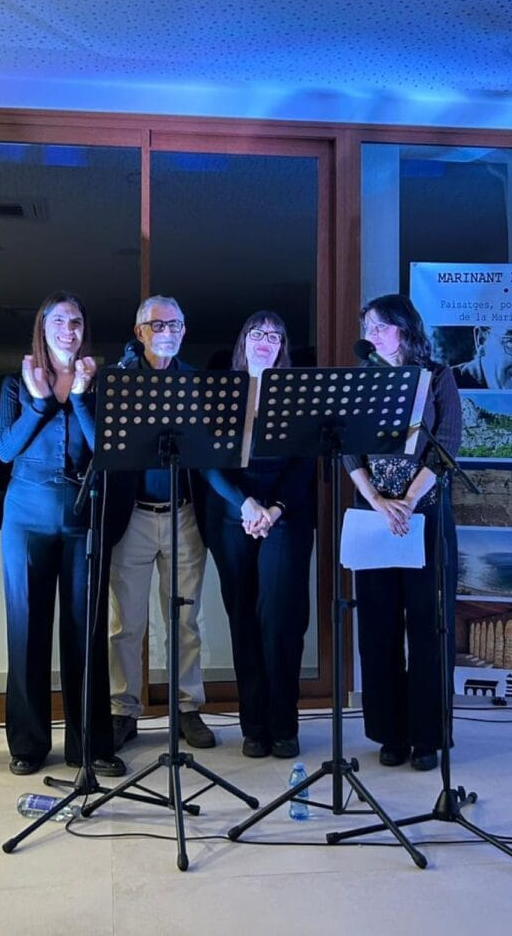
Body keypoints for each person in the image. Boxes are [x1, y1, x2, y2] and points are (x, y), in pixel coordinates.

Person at [0, 292, 125, 777]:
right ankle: (27, 743)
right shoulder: (14, 384)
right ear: (42, 328)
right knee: (27, 631)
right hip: (25, 519)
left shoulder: (99, 383)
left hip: (82, 518)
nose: (69, 329)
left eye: (76, 321)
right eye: (59, 321)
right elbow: (4, 449)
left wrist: (84, 396)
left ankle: (90, 744)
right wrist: (40, 401)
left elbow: (106, 449)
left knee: (85, 633)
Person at [345, 294, 462, 771]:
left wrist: (408, 501)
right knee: (378, 626)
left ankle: (428, 735)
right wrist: (378, 502)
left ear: (405, 329)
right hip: (374, 514)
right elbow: (347, 447)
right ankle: (390, 733)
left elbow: (448, 445)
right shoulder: (360, 380)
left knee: (429, 626)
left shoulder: (437, 376)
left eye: (380, 327)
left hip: (426, 513)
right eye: (368, 328)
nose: (371, 335)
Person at [103, 295, 217, 750]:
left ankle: (187, 708)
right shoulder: (121, 380)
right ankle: (122, 709)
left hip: (184, 513)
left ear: (184, 330)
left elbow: (210, 451)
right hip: (133, 515)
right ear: (140, 333)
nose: (167, 331)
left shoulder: (197, 383)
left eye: (175, 323)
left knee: (185, 620)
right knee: (125, 623)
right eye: (157, 324)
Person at [201, 311, 316, 759]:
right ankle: (253, 726)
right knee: (243, 617)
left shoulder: (297, 394)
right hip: (231, 511)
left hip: (285, 513)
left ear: (283, 345)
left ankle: (283, 724)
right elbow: (206, 459)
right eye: (257, 332)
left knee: (282, 619)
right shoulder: (220, 391)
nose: (265, 340)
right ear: (243, 341)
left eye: (275, 334)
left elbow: (304, 461)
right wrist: (244, 504)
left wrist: (273, 509)